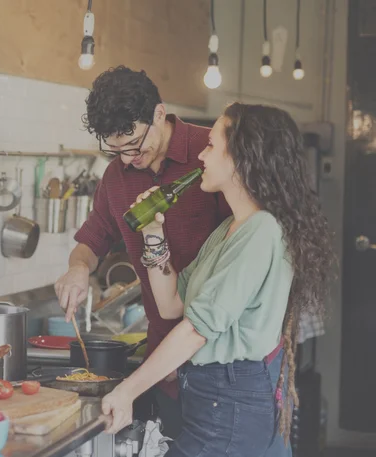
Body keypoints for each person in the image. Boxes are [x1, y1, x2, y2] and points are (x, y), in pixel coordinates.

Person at [100, 102, 335, 456]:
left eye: (211, 146)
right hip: (215, 402)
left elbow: (197, 329)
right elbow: (171, 305)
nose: (202, 157)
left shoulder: (262, 232)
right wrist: (152, 232)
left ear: (241, 157)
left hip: (231, 405)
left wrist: (127, 390)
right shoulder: (230, 229)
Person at [54, 66, 231, 439]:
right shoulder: (116, 177)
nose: (127, 158)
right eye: (114, 149)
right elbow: (92, 241)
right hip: (162, 362)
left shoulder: (213, 156)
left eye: (134, 143)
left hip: (219, 362)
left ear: (159, 114)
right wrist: (78, 268)